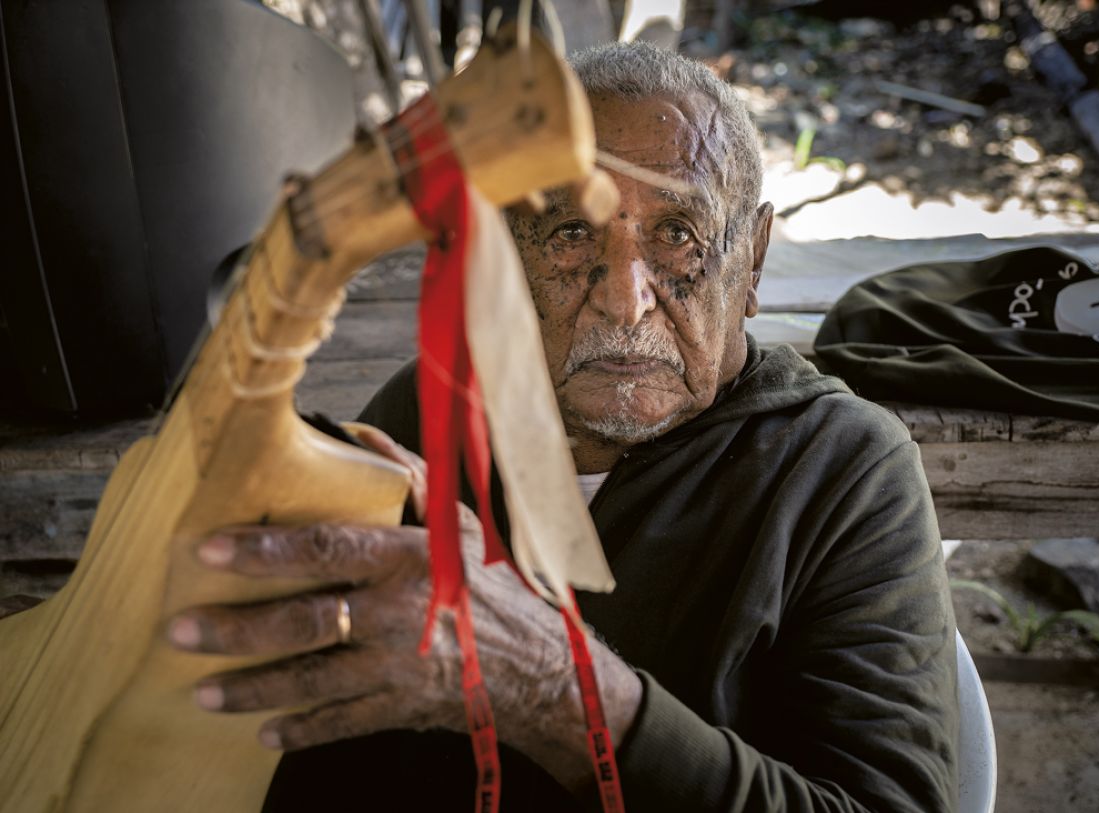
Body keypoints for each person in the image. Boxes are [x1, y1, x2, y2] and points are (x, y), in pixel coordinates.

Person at [168, 41, 958, 811]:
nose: (624, 299)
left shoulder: (844, 470)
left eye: (677, 235)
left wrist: (554, 685)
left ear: (750, 260)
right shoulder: (438, 407)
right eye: (571, 234)